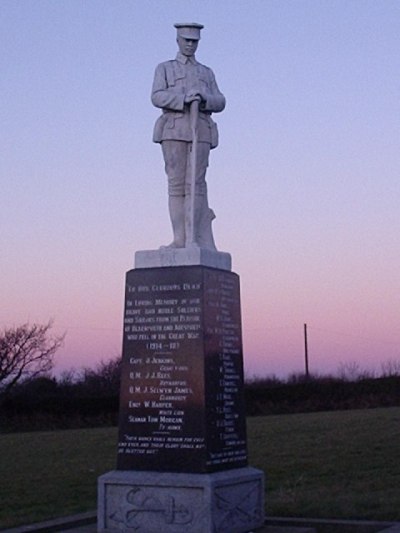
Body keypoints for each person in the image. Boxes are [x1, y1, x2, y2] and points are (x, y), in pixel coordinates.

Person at [151, 23, 225, 250]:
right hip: (174, 130)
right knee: (176, 185)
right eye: (186, 40)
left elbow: (220, 101)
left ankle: (197, 237)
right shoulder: (165, 68)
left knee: (197, 184)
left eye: (194, 41)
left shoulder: (206, 72)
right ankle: (180, 239)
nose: (190, 44)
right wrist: (183, 98)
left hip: (200, 131)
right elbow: (156, 96)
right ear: (178, 40)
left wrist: (204, 99)